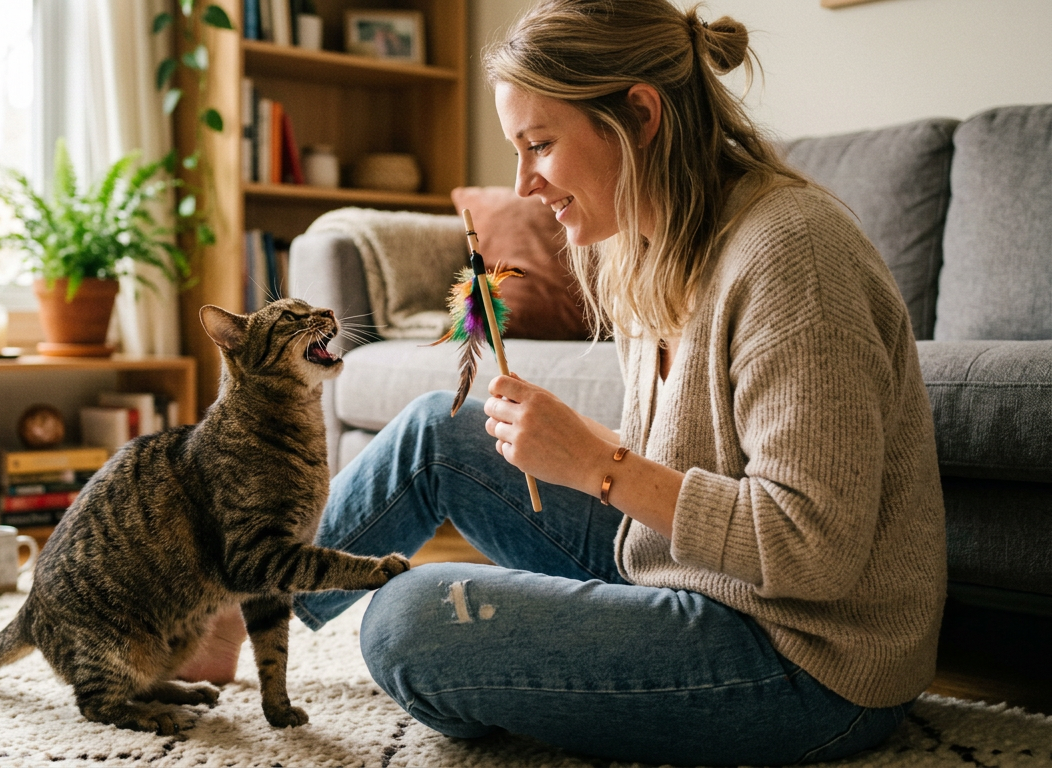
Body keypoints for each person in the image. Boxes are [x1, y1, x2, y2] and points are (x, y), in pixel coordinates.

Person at [182, 0, 946, 764]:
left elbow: (814, 551)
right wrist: (588, 452)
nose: (524, 183)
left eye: (540, 144)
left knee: (409, 618)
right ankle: (221, 622)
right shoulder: (651, 243)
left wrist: (596, 465)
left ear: (640, 116)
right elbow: (696, 468)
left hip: (805, 665)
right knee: (434, 432)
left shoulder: (793, 256)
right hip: (686, 575)